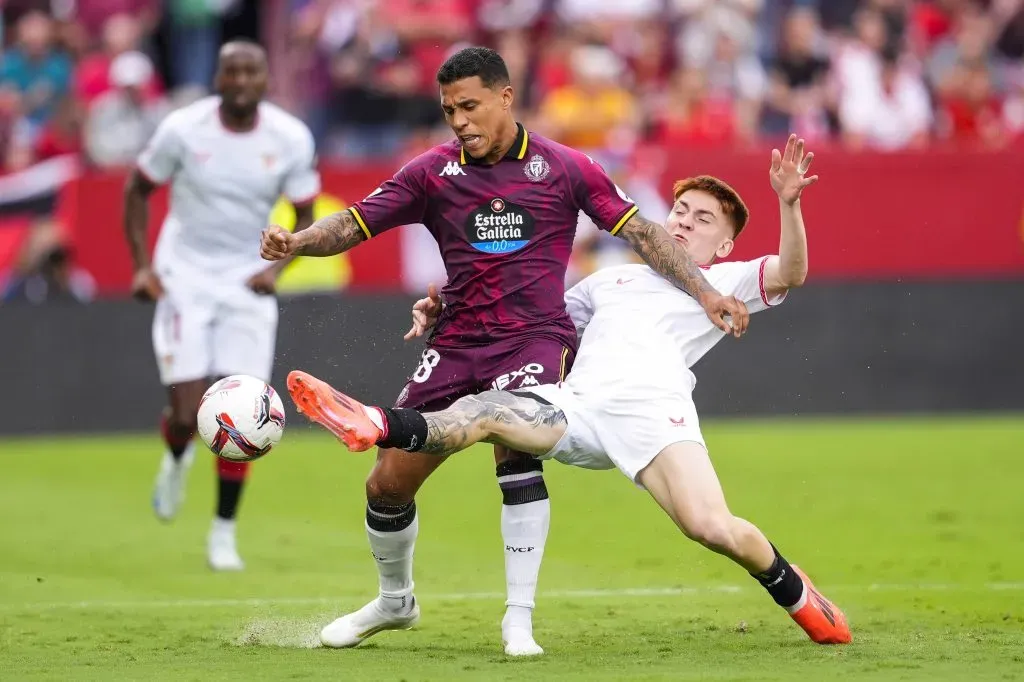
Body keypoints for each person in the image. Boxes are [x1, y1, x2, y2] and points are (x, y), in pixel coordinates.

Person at [258, 46, 749, 655]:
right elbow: (354, 223)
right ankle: (394, 601)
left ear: (504, 99)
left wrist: (704, 291)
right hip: (456, 343)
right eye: (448, 110)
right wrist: (297, 241)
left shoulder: (566, 167)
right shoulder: (431, 172)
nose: (459, 120)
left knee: (513, 448)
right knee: (386, 485)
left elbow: (643, 233)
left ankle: (518, 619)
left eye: (468, 106)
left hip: (534, 339)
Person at [287, 135, 852, 647]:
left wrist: (789, 203)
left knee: (713, 529)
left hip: (656, 422)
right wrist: (442, 308)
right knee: (486, 411)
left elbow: (793, 272)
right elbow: (533, 324)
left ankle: (796, 592)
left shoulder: (724, 281)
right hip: (576, 412)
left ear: (725, 245)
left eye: (702, 220)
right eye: (680, 210)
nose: (684, 222)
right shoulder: (607, 281)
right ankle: (378, 423)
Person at [123, 41, 320, 571]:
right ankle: (175, 456)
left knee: (244, 414)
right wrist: (143, 266)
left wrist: (276, 269)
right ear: (217, 76)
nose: (239, 79)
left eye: (250, 70)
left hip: (246, 282)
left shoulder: (290, 137)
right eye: (230, 70)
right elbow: (137, 190)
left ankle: (223, 533)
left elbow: (307, 215)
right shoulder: (183, 129)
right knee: (188, 414)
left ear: (263, 79)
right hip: (183, 274)